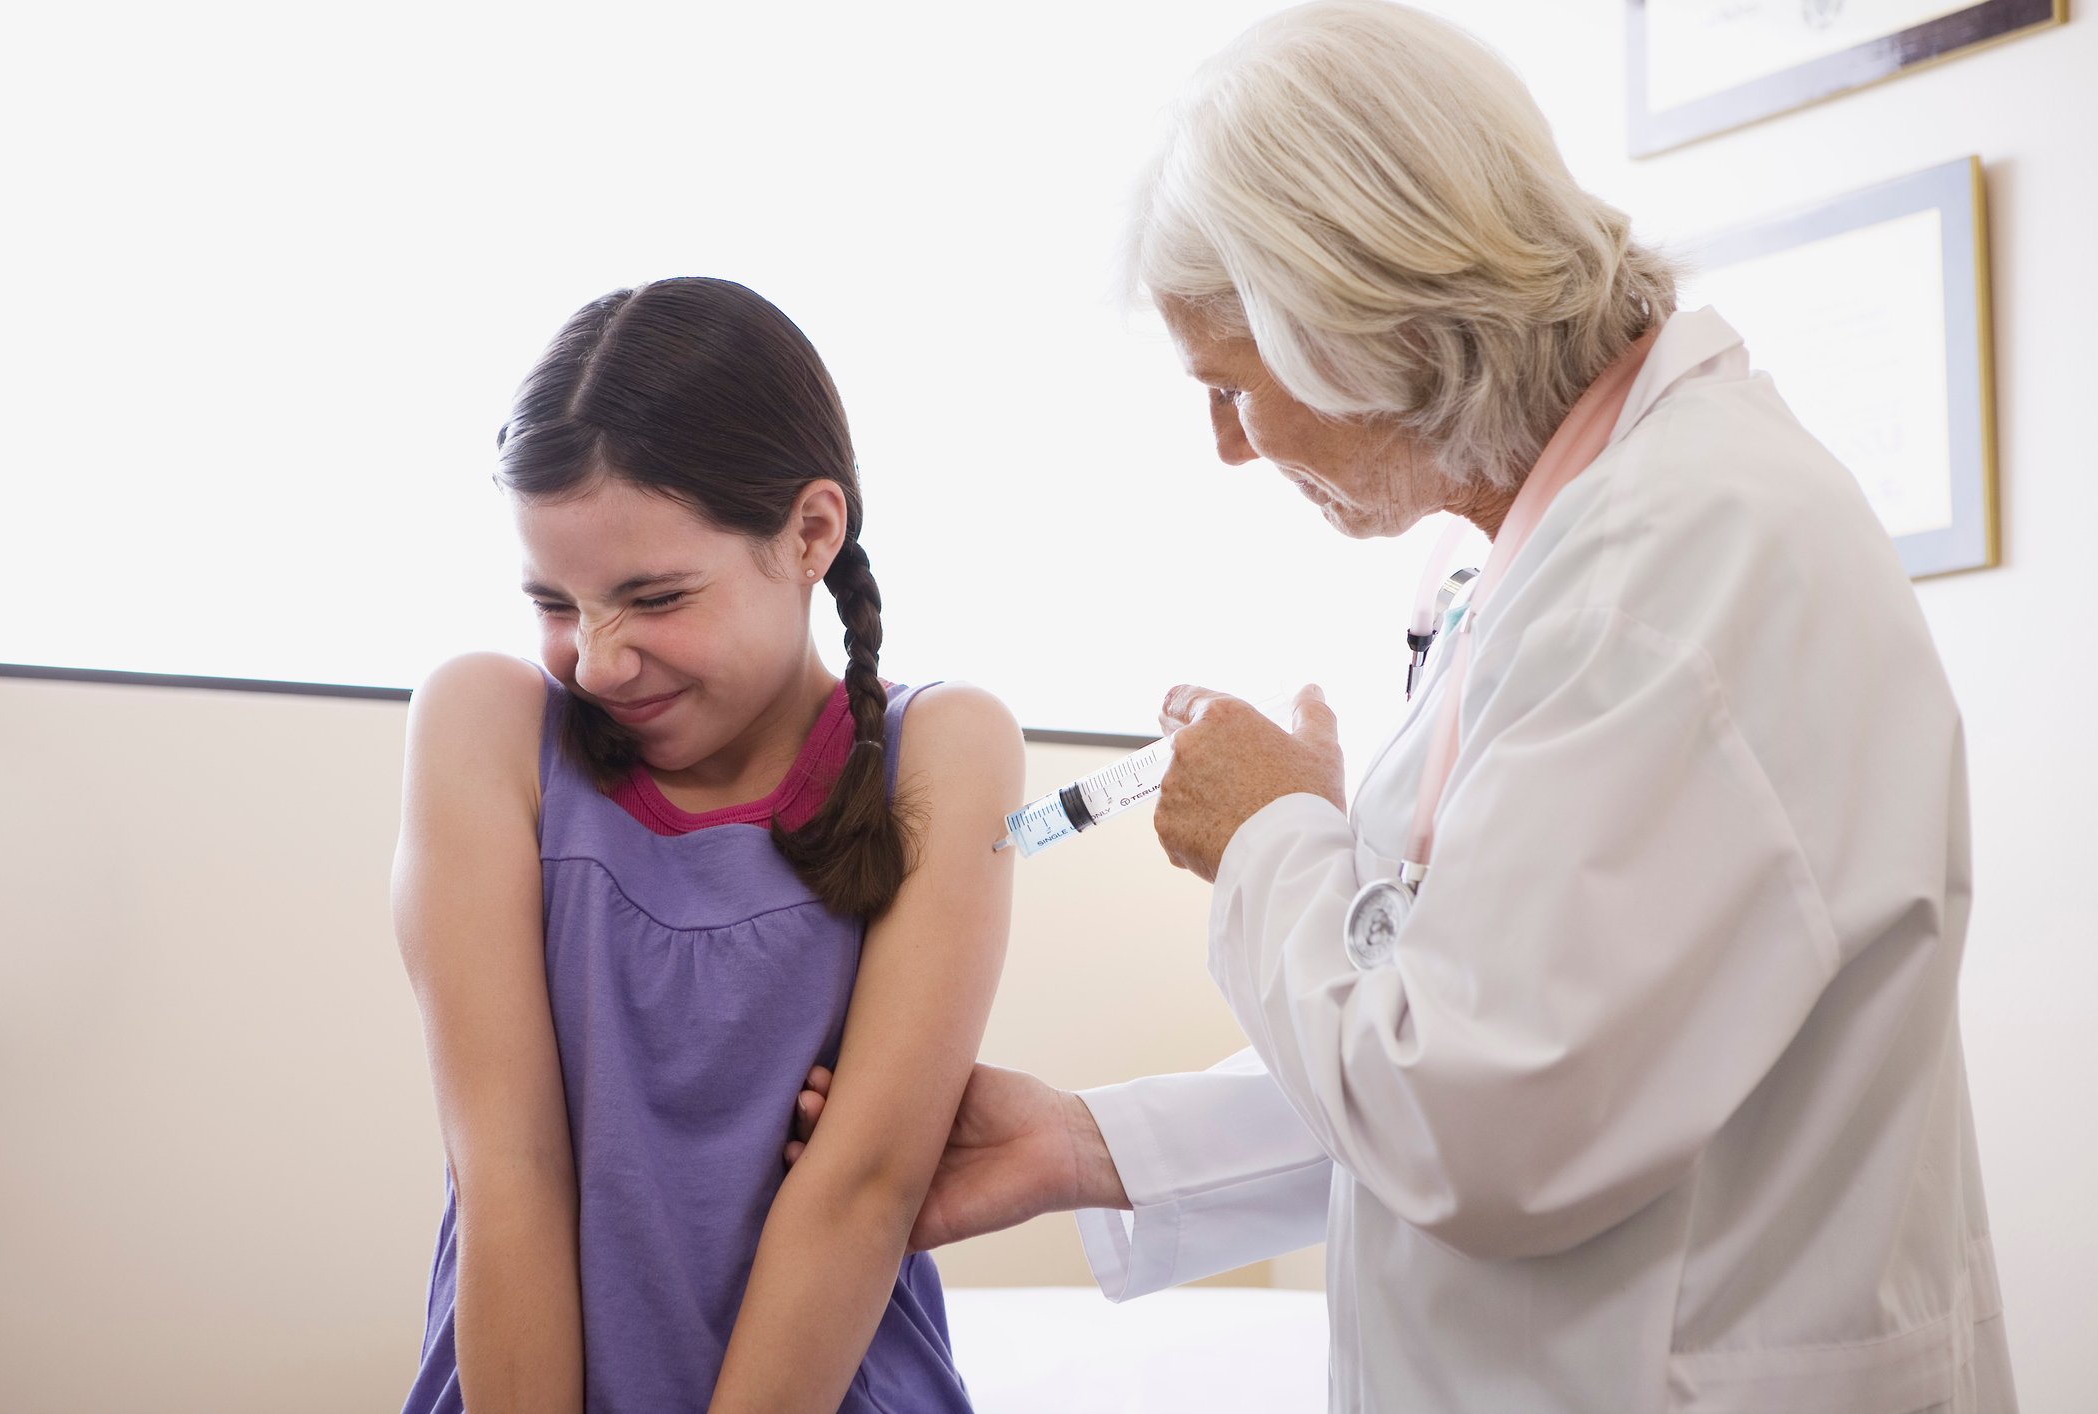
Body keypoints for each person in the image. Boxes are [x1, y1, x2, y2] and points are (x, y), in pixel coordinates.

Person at [790, 4, 2015, 1410]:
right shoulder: (1569, 550)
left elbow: (1476, 1122)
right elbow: (1475, 1036)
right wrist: (1086, 1143)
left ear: (1357, 314)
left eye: (1234, 385)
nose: (1228, 446)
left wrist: (1272, 841)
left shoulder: (1677, 561)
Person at [394, 276, 1023, 1412]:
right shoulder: (483, 726)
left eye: (655, 595)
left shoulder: (947, 748)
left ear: (811, 533)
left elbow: (863, 1188)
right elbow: (510, 1166)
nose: (597, 658)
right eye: (556, 601)